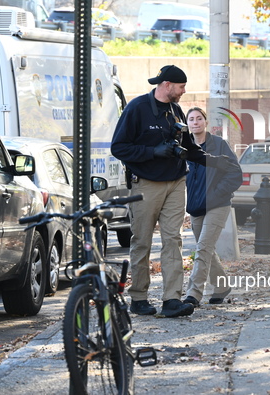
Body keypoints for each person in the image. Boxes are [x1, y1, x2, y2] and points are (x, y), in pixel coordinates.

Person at [110, 65, 237, 318]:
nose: (184, 91)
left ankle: (172, 299)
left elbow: (189, 148)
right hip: (146, 184)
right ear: (167, 85)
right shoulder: (137, 109)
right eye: (181, 87)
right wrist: (152, 152)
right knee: (142, 241)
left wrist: (213, 161)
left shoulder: (175, 110)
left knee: (173, 241)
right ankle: (139, 298)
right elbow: (119, 147)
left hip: (177, 182)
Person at [182, 107, 243, 307]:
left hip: (218, 204)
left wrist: (216, 195)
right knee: (205, 250)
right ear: (187, 124)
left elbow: (235, 174)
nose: (195, 122)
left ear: (205, 122)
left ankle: (193, 294)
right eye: (191, 119)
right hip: (196, 206)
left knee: (203, 248)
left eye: (199, 118)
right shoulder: (185, 147)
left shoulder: (219, 145)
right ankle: (222, 286)